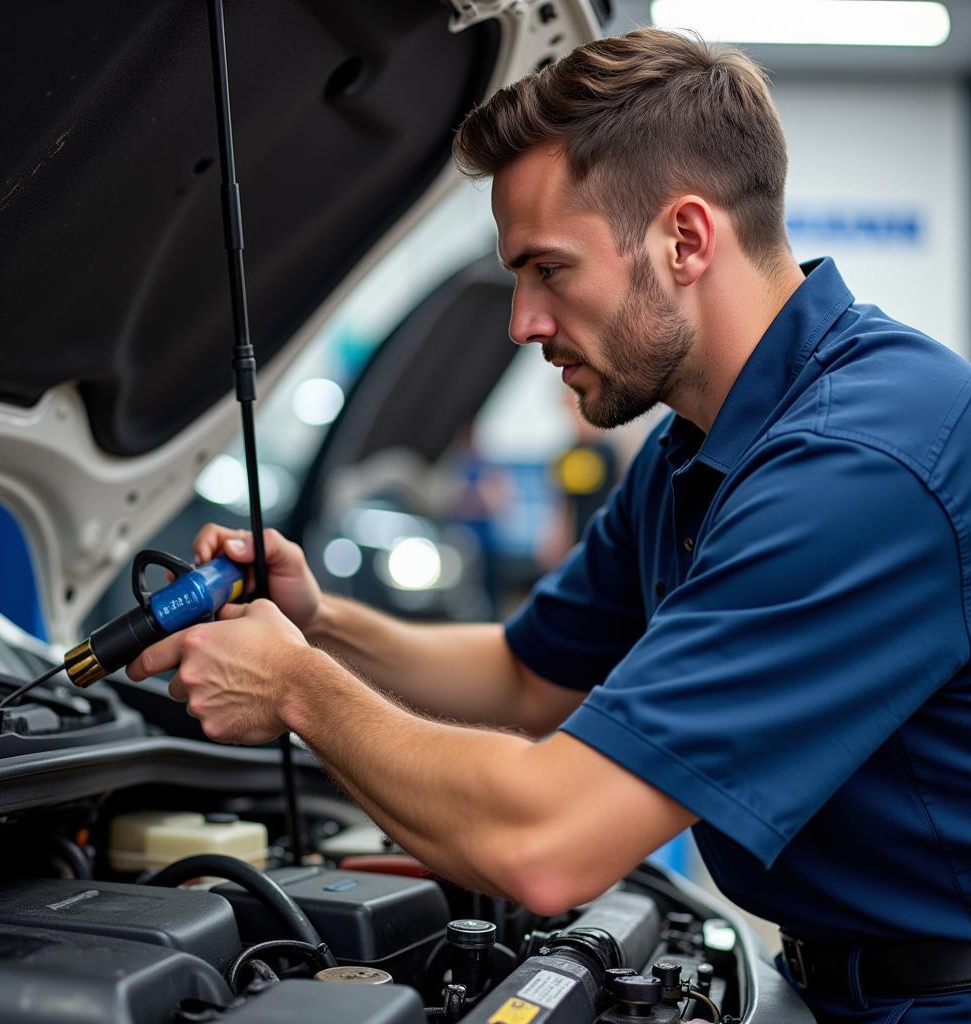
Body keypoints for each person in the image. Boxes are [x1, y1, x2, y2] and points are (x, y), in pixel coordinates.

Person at [127, 29, 971, 1023]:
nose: (522, 321)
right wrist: (317, 624)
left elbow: (546, 841)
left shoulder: (858, 466)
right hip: (827, 979)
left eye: (549, 269)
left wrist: (297, 690)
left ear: (686, 241)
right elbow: (527, 677)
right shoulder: (696, 451)